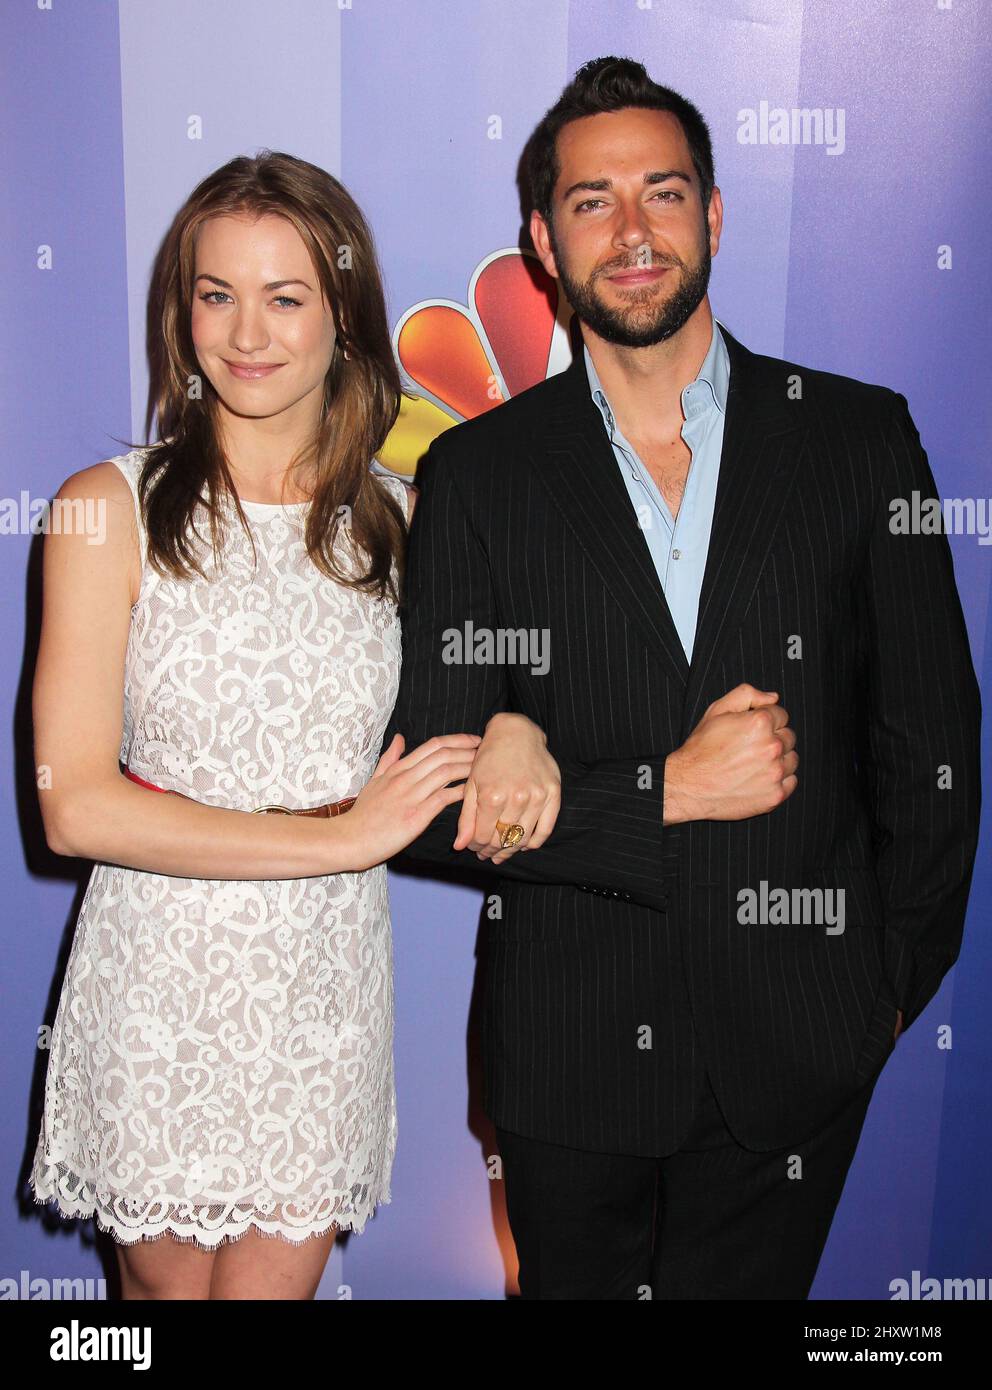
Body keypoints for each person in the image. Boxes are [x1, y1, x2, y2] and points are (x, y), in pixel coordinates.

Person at [385, 57, 982, 1298]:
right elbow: (432, 801)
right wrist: (669, 788)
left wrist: (876, 995)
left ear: (710, 215)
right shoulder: (478, 475)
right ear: (542, 242)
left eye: (661, 192)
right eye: (590, 201)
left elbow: (930, 739)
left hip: (799, 1055)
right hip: (566, 1060)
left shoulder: (858, 437)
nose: (632, 231)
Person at [29, 151, 556, 1300]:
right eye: (215, 294)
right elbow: (73, 807)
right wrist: (342, 836)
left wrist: (517, 729)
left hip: (322, 985)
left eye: (284, 297)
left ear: (342, 317)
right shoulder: (103, 509)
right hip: (160, 978)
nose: (246, 333)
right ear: (180, 315)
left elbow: (505, 696)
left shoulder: (411, 526)